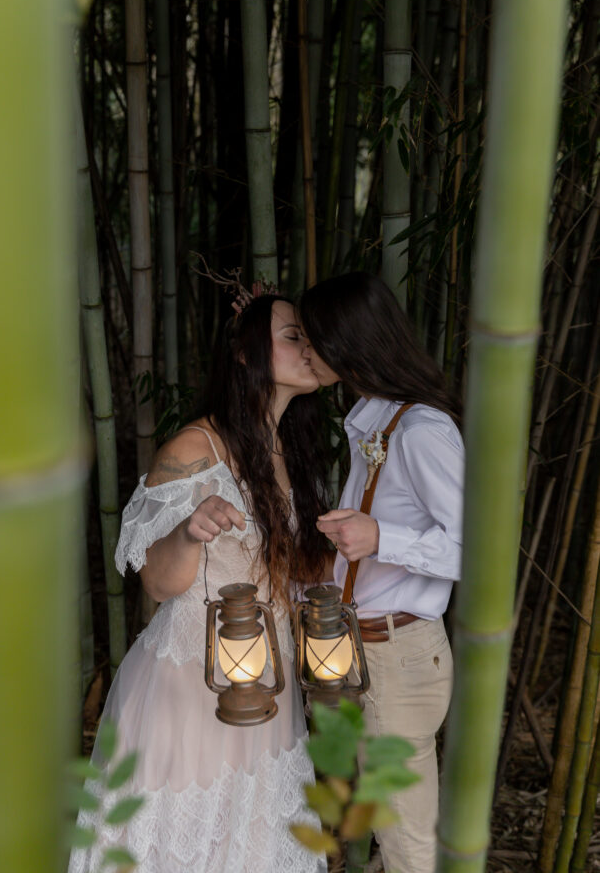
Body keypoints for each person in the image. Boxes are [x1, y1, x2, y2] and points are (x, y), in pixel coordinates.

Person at [69, 294, 331, 873]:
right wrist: (189, 532)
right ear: (243, 353)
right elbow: (157, 584)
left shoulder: (291, 446)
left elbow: (293, 575)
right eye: (292, 336)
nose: (308, 350)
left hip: (269, 677)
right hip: (192, 681)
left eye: (311, 338)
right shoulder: (194, 449)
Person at [299, 271, 463, 873]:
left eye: (312, 339)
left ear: (349, 343)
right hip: (362, 649)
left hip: (402, 653)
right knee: (385, 828)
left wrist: (379, 538)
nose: (306, 352)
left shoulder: (422, 432)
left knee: (408, 843)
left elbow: (476, 550)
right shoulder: (372, 421)